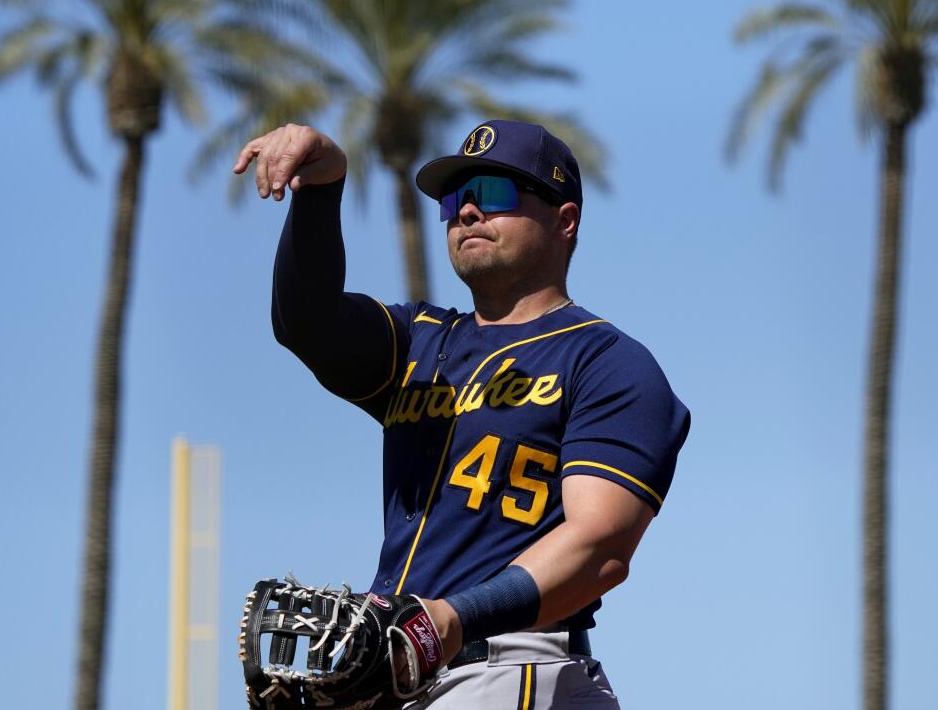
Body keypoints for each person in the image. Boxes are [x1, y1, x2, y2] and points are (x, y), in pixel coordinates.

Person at [233, 119, 691, 709]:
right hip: (408, 679)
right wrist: (322, 189)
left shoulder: (606, 362)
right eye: (456, 198)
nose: (468, 211)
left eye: (495, 193)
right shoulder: (417, 343)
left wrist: (450, 621)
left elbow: (599, 546)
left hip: (517, 671)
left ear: (565, 219)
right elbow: (306, 321)